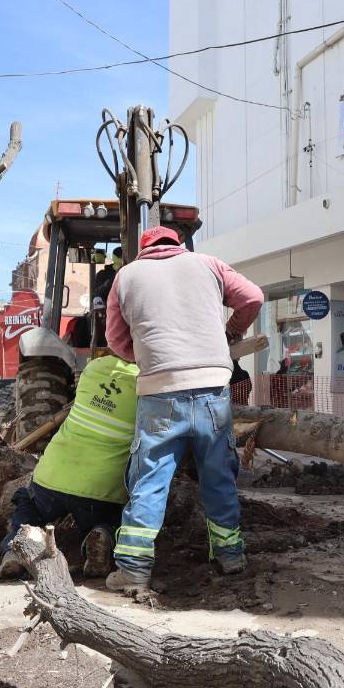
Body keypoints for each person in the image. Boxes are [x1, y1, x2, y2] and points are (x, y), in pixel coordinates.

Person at [105, 225, 263, 591]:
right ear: (178, 244)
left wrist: (146, 356)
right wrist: (231, 332)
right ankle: (230, 555)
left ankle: (133, 569)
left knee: (150, 480)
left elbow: (115, 339)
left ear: (143, 249)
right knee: (218, 475)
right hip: (212, 390)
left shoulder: (126, 276)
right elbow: (253, 297)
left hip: (159, 393)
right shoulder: (208, 264)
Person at [0, 354, 140, 580]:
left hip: (50, 480)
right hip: (101, 491)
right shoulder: (146, 383)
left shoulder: (93, 368)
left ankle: (16, 548)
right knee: (115, 517)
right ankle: (102, 533)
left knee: (28, 503)